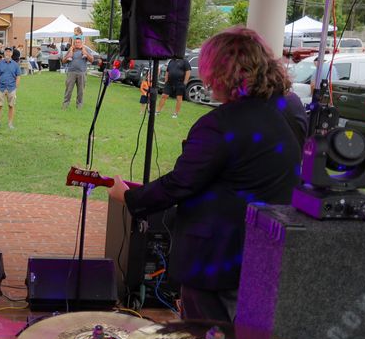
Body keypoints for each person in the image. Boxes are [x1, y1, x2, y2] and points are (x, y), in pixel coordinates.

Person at [109, 27, 309, 322]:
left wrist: (127, 197)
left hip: (218, 261)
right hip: (264, 257)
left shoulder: (220, 124)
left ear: (218, 70)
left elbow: (181, 183)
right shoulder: (283, 113)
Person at [0, 47, 22, 132]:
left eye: (9, 52)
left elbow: (18, 76)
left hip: (11, 88)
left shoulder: (15, 65)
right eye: (6, 52)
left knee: (11, 106)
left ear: (11, 54)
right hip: (1, 88)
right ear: (4, 53)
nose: (8, 53)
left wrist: (15, 87)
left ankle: (10, 124)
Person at [62, 35, 93, 109]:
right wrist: (69, 54)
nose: (77, 43)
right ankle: (65, 106)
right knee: (68, 90)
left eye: (79, 42)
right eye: (76, 42)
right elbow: (63, 61)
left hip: (81, 73)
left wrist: (85, 52)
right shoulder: (71, 49)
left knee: (80, 91)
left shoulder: (85, 49)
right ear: (74, 43)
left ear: (81, 43)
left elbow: (91, 60)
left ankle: (79, 106)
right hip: (71, 73)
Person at [157, 53, 192, 118]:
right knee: (164, 96)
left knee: (179, 98)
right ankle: (157, 111)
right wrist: (166, 81)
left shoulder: (184, 61)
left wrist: (185, 83)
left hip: (180, 83)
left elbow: (188, 71)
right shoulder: (171, 61)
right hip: (169, 82)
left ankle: (175, 113)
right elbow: (167, 71)